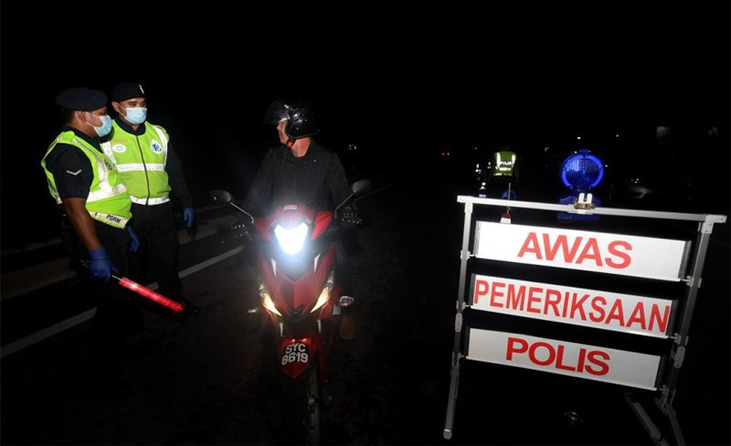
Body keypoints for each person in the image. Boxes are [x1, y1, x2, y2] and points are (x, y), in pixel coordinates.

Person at [41, 87, 141, 395]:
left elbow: (103, 193)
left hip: (110, 231)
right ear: (83, 115)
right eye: (102, 113)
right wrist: (97, 251)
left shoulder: (88, 144)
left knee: (118, 303)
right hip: (95, 236)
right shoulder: (68, 150)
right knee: (112, 305)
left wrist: (123, 225)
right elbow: (75, 207)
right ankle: (101, 375)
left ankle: (113, 353)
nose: (107, 118)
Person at [242, 98, 362, 350]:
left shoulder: (327, 159)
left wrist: (349, 210)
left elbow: (341, 191)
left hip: (318, 229)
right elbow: (259, 189)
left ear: (298, 125)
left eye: (282, 123)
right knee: (257, 258)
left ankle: (347, 309)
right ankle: (262, 320)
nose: (277, 128)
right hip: (281, 229)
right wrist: (244, 215)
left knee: (342, 256)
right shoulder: (274, 157)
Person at [101, 82, 197, 309]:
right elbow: (104, 182)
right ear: (116, 106)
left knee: (168, 261)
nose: (140, 109)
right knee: (132, 266)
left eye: (143, 104)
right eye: (132, 104)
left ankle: (175, 303)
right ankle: (131, 313)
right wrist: (119, 220)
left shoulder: (159, 133)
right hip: (130, 211)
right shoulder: (105, 137)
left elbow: (174, 170)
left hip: (162, 208)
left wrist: (186, 202)